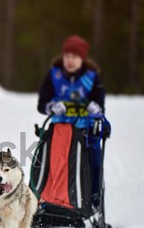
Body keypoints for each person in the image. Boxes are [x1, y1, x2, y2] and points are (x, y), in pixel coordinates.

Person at [37, 35, 106, 207]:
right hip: (59, 131)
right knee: (49, 164)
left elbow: (101, 107)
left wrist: (95, 108)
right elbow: (41, 104)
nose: (70, 60)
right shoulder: (54, 74)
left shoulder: (92, 77)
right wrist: (51, 106)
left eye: (74, 57)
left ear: (82, 58)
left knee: (93, 162)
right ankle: (47, 201)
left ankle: (92, 201)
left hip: (86, 131)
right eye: (67, 55)